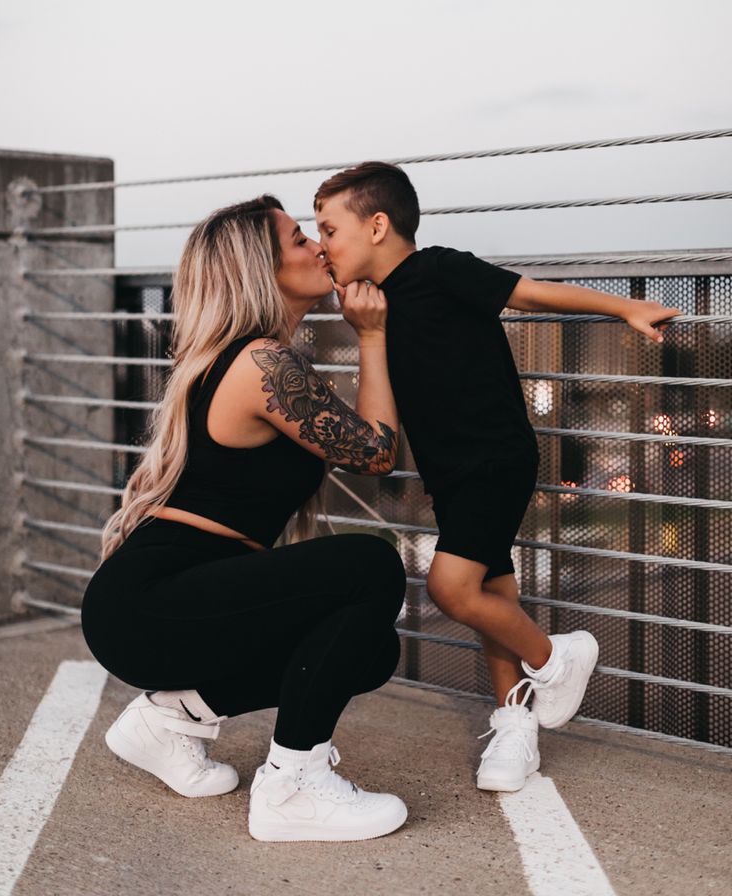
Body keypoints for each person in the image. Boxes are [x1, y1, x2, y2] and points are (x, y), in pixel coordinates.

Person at [313, 161, 683, 793]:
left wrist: (624, 308)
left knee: (452, 589)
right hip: (451, 472)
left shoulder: (440, 269)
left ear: (377, 226)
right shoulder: (375, 310)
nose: (322, 247)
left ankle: (555, 657)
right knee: (493, 595)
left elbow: (532, 294)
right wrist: (364, 331)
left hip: (496, 457)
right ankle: (515, 729)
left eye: (327, 230)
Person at [80, 194, 409, 843]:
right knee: (370, 565)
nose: (317, 246)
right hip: (152, 602)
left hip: (161, 602)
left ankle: (170, 719)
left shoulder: (249, 357)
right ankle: (292, 785)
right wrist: (373, 335)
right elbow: (375, 452)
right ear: (261, 266)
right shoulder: (261, 361)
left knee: (369, 648)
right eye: (297, 240)